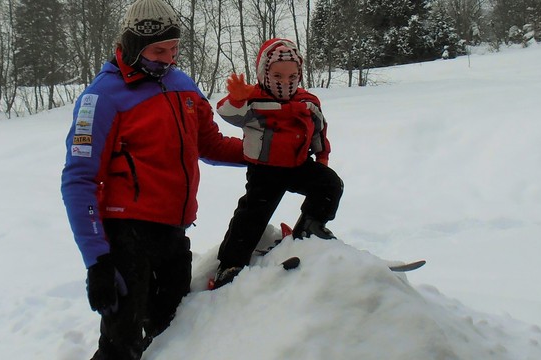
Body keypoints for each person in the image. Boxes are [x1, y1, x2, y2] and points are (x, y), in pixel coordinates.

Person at [60, 0, 244, 358]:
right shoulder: (101, 97)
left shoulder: (182, 85)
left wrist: (263, 154)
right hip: (126, 238)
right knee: (120, 345)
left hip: (173, 234)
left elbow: (208, 143)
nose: (169, 58)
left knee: (173, 334)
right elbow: (79, 180)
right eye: (159, 50)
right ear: (132, 46)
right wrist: (97, 261)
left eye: (175, 49)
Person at [212, 38, 344, 289]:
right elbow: (227, 112)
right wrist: (238, 98)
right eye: (278, 75)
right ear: (264, 74)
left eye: (293, 75)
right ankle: (230, 264)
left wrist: (322, 156)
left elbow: (318, 131)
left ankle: (310, 228)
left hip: (298, 165)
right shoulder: (254, 101)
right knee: (252, 216)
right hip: (265, 170)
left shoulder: (308, 102)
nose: (286, 81)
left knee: (330, 185)